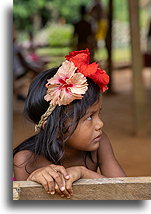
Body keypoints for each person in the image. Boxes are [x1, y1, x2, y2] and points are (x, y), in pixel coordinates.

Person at [13, 49, 126, 199]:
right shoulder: (25, 161)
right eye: (89, 117)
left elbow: (124, 190)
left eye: (99, 113)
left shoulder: (100, 143)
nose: (100, 124)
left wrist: (83, 173)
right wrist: (33, 179)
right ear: (54, 126)